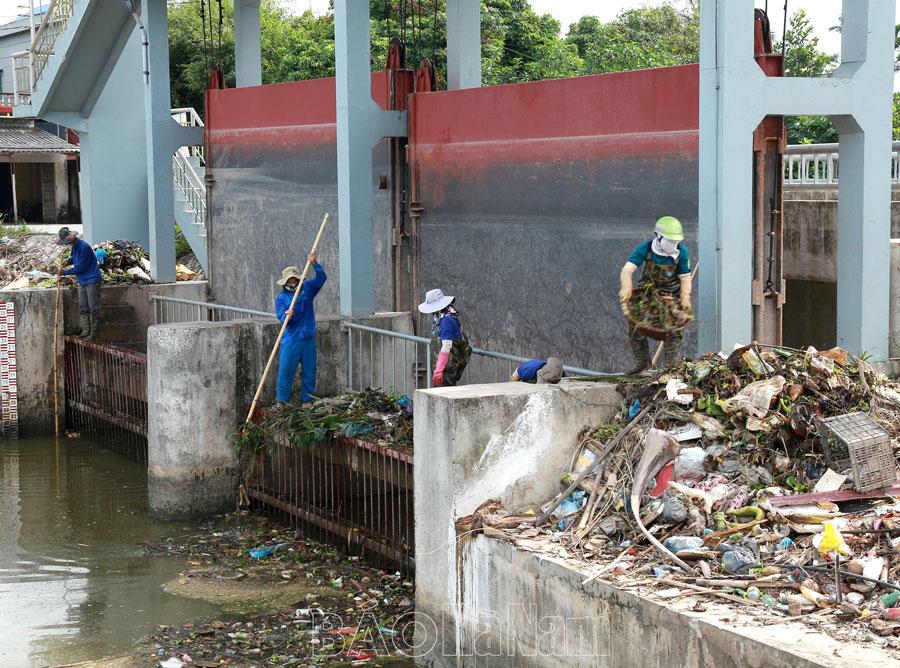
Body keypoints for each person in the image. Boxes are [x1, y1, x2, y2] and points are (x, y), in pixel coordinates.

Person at [618, 216, 693, 373]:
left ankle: (670, 368)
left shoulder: (682, 253)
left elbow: (685, 278)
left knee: (674, 330)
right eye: (670, 241)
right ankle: (642, 362)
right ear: (658, 236)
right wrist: (626, 285)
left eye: (676, 242)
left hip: (671, 297)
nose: (673, 245)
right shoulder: (645, 248)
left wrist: (685, 297)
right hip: (648, 294)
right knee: (636, 326)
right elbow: (628, 269)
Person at [275, 253, 327, 407]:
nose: (292, 282)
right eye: (289, 280)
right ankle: (282, 402)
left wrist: (314, 263)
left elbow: (321, 278)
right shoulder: (281, 298)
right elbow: (281, 317)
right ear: (284, 282)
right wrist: (287, 315)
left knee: (309, 371)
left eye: (294, 279)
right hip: (291, 339)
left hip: (308, 337)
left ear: (299, 279)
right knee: (286, 372)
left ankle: (307, 401)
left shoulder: (307, 289)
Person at [55, 227, 102, 340]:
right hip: (83, 280)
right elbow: (74, 258)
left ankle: (94, 333)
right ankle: (85, 330)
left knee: (93, 307)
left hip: (91, 279)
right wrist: (68, 261)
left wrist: (64, 272)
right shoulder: (75, 246)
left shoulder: (83, 247)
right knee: (83, 306)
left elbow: (80, 268)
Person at [417, 288, 471, 387]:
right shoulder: (442, 317)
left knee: (445, 391)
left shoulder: (447, 320)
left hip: (447, 366)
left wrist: (439, 369)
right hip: (442, 363)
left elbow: (447, 345)